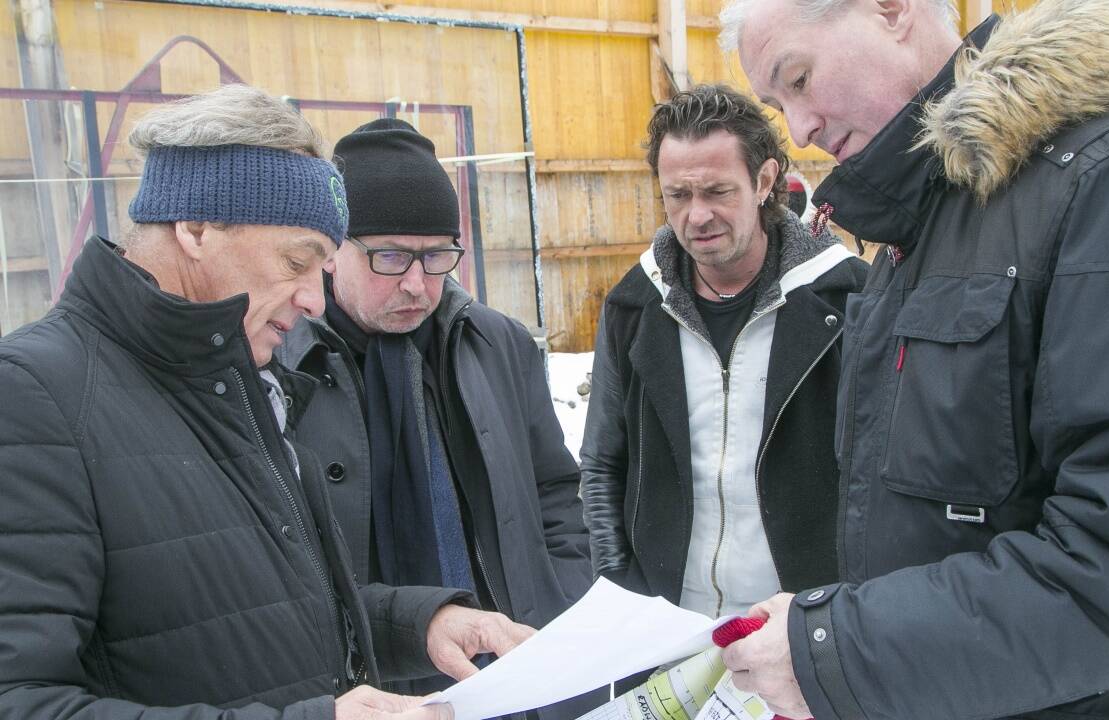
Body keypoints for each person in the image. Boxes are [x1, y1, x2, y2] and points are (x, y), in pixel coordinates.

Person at [714, 0, 1109, 717]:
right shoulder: (927, 228)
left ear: (891, 10)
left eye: (798, 79)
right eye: (776, 105)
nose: (800, 129)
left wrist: (843, 650)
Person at [0, 84, 532, 720]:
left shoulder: (241, 380)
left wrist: (417, 626)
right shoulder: (32, 395)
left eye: (322, 268)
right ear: (196, 227)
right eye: (295, 261)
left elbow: (258, 613)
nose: (314, 299)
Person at [277, 118, 599, 719]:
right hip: (372, 690)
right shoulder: (278, 367)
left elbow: (554, 490)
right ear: (331, 252)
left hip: (514, 663)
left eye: (436, 256)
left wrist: (560, 597)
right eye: (391, 256)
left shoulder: (497, 344)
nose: (417, 284)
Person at [580, 84, 867, 626]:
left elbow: (874, 477)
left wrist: (841, 614)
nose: (697, 216)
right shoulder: (635, 305)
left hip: (803, 623)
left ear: (764, 181)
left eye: (717, 191)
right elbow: (602, 463)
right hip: (669, 625)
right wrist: (620, 587)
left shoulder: (845, 299)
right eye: (677, 195)